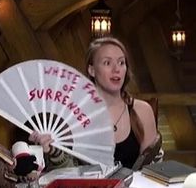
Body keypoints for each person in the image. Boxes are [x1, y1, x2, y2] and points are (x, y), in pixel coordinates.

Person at [28, 36, 160, 170]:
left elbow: (151, 170)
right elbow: (68, 172)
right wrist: (53, 152)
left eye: (121, 62)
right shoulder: (73, 114)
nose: (117, 69)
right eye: (107, 63)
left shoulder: (142, 111)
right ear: (92, 70)